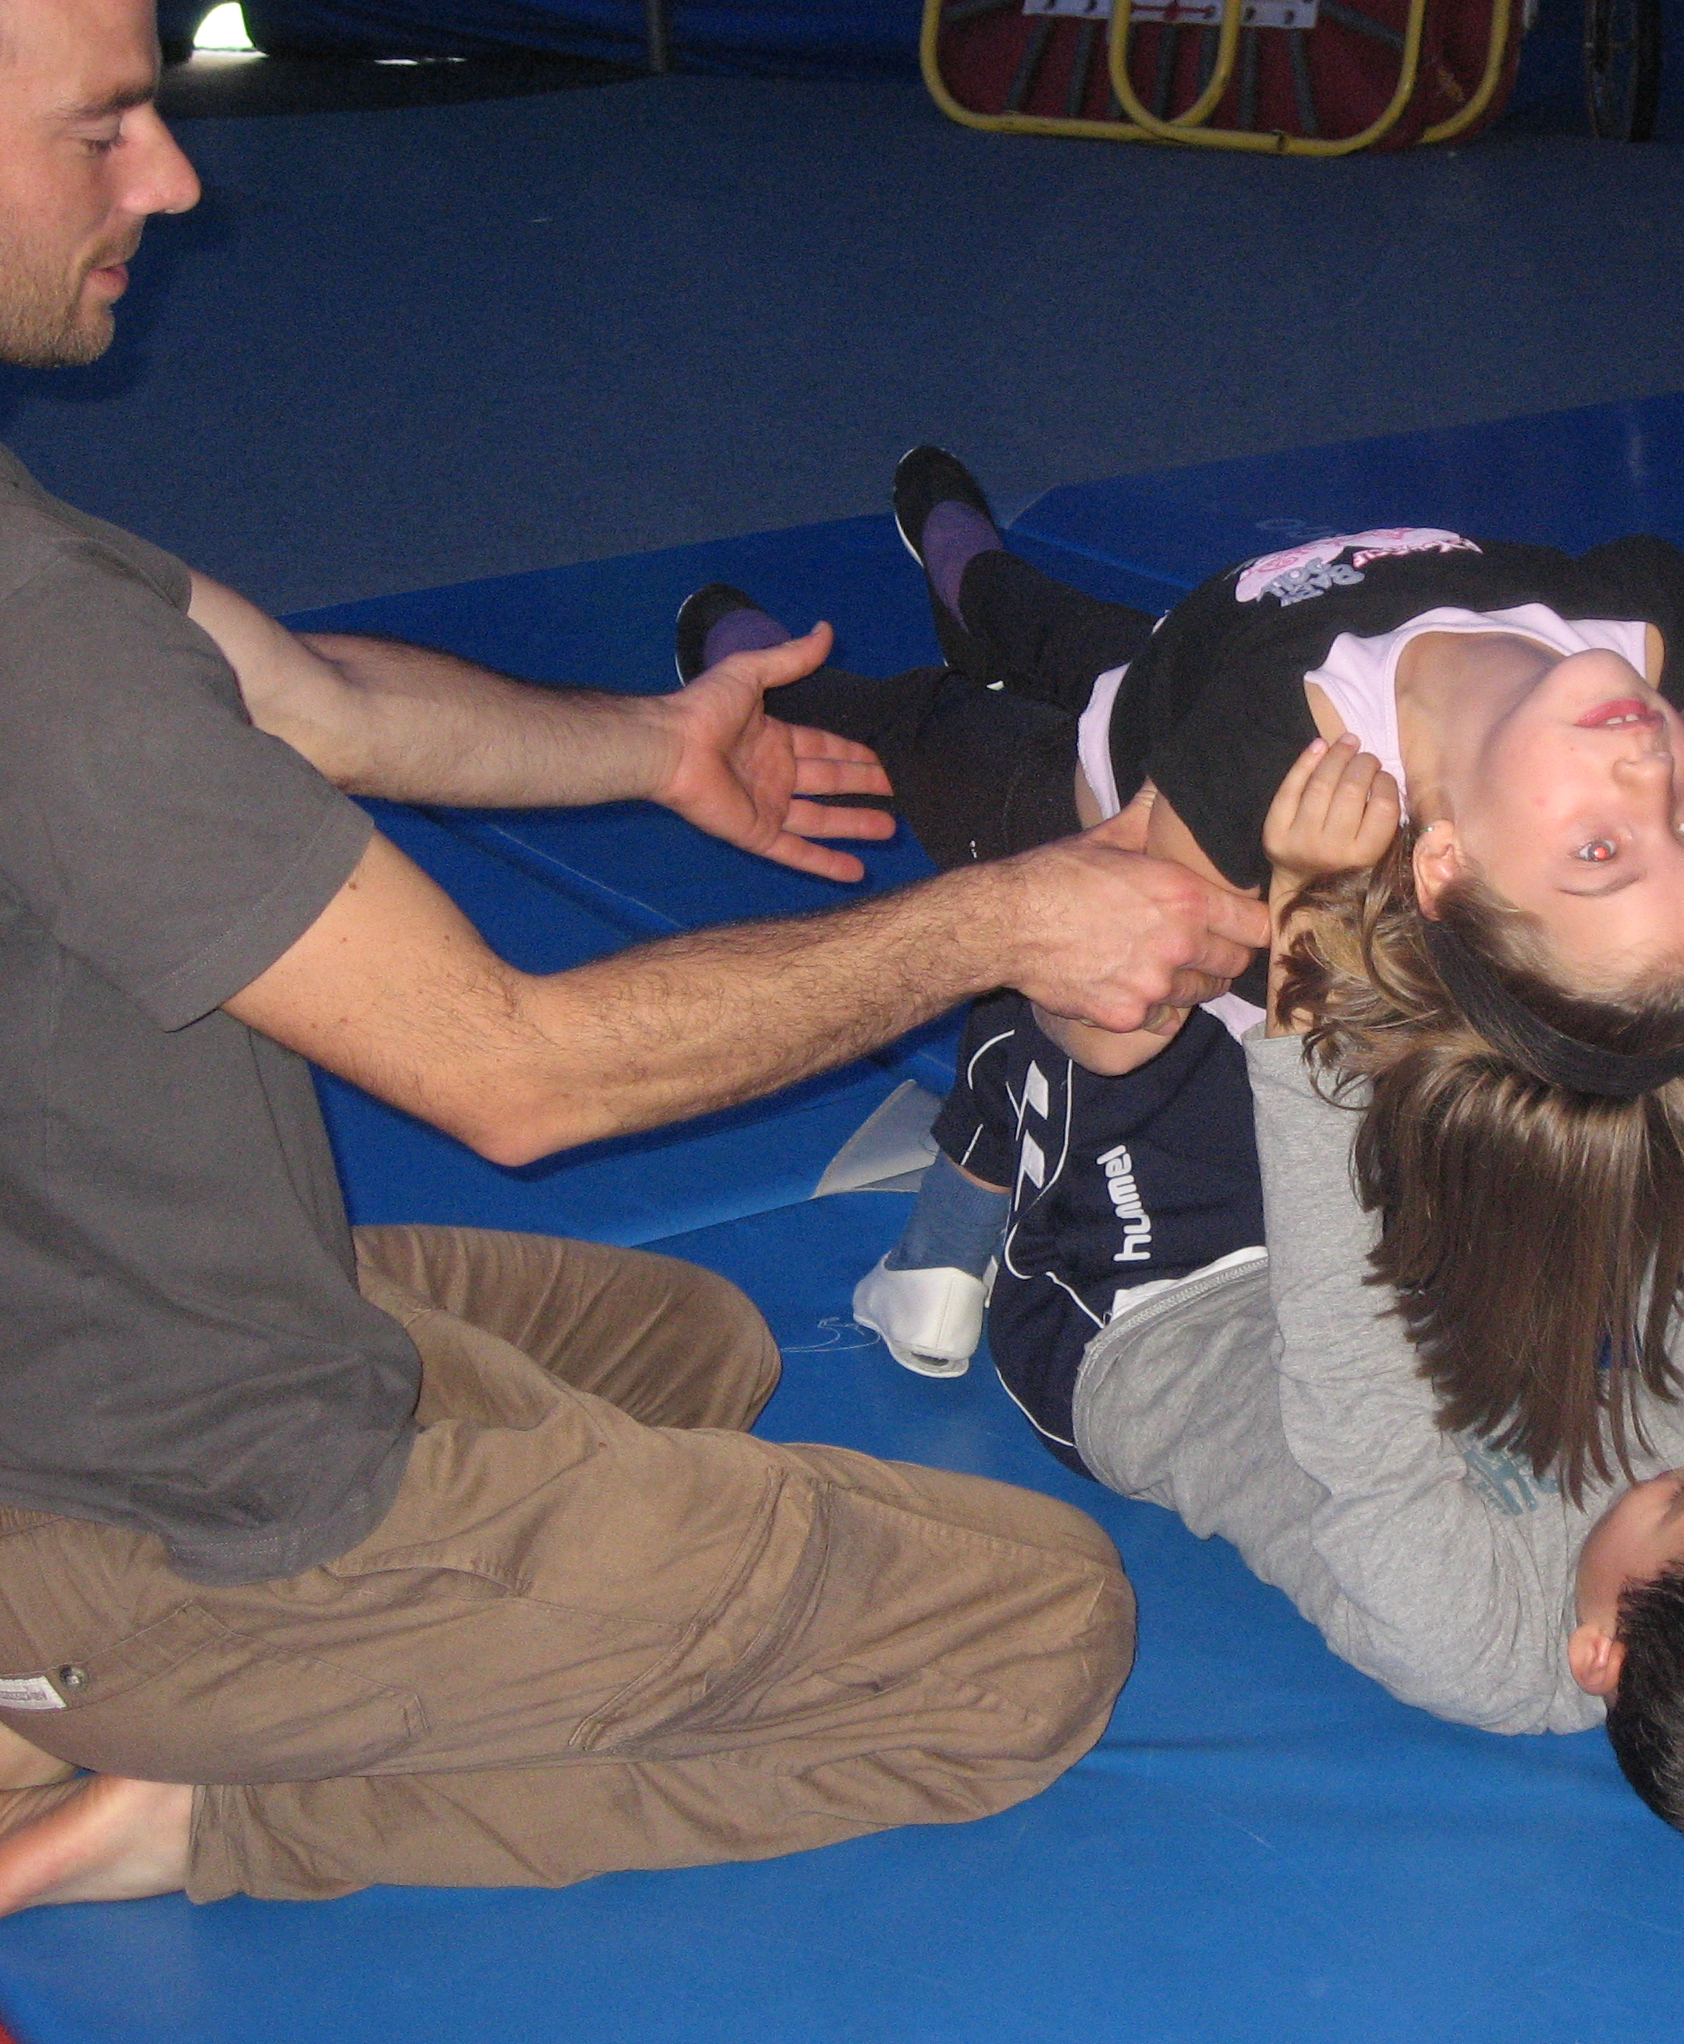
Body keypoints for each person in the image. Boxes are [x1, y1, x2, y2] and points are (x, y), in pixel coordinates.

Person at [0, 0, 1267, 1914]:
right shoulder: (45, 661)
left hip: (111, 1338)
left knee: (694, 1346)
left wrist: (656, 745)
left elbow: (311, 696)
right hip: (159, 1515)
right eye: (104, 129)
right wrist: (1001, 917)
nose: (174, 177)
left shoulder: (43, 579)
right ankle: (199, 1798)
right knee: (1038, 1628)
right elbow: (512, 1071)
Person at [896, 738, 1684, 1837]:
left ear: (1599, 1654)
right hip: (1397, 1241)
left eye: (1682, 1495)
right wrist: (1645, 977)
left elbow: (1346, 1347)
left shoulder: (1467, 1634)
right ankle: (1059, 670)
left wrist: (1308, 933)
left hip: (1157, 1314)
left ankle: (953, 1217)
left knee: (1126, 963)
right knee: (1420, 932)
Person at [696, 451, 1684, 1501]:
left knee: (915, 730)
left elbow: (1108, 1031)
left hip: (1091, 789)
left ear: (1446, 861)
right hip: (1178, 653)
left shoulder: (1286, 754)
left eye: (1601, 850)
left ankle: (761, 687)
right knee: (1030, 613)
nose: (1650, 771)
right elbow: (1678, 725)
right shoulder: (1656, 617)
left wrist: (1055, 941)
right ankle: (971, 571)